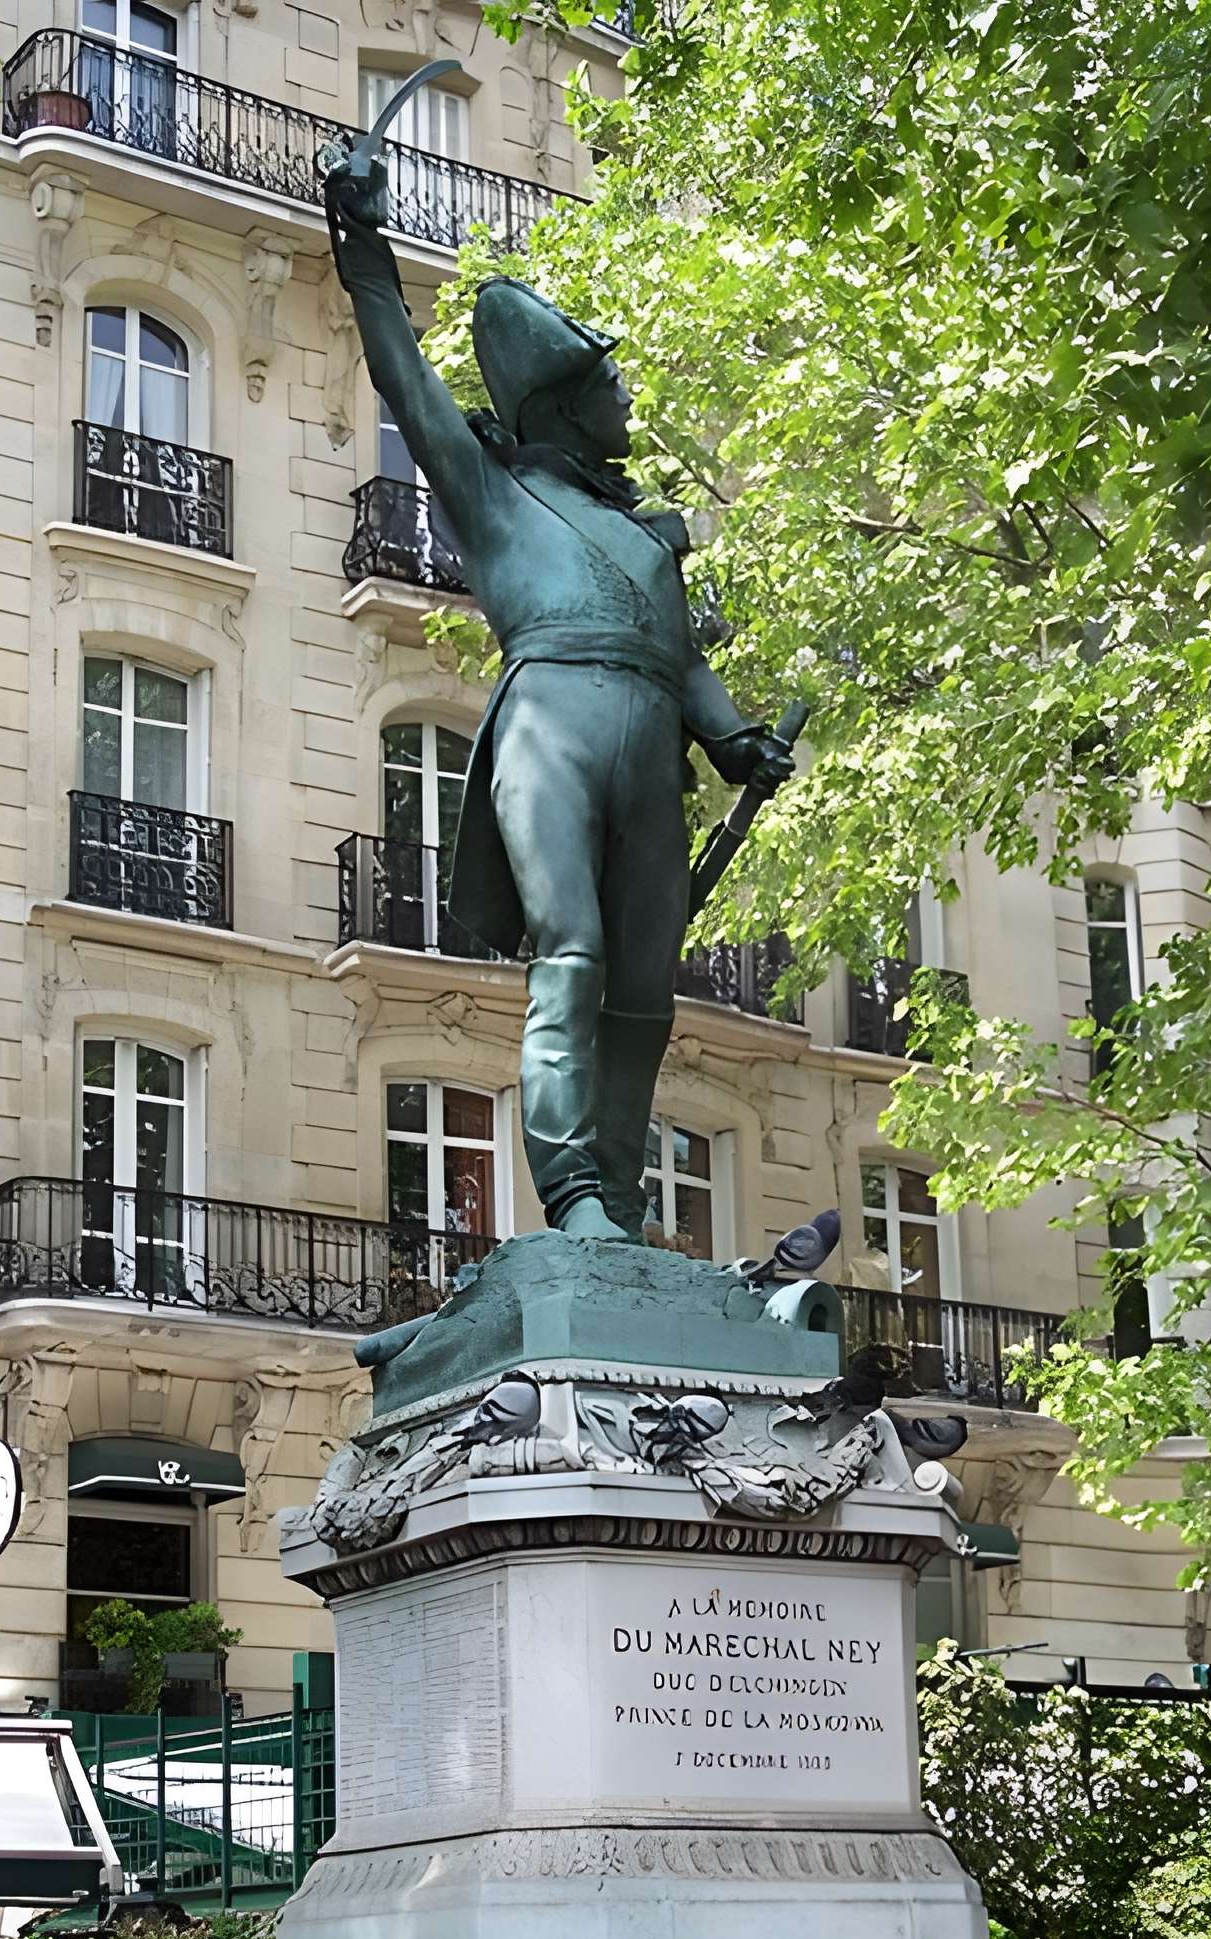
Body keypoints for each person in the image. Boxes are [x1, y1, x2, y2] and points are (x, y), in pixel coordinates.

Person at [325, 148, 796, 1241]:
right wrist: (360, 243)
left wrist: (733, 740)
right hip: (550, 733)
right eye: (612, 383)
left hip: (649, 755)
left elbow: (681, 660)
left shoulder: (645, 536)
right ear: (571, 404)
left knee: (642, 998)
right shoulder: (491, 494)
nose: (630, 397)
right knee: (570, 957)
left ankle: (618, 1212)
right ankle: (572, 1185)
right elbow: (404, 375)